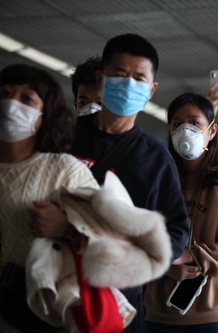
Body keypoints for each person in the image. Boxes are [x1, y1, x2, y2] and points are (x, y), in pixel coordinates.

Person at [67, 34, 190, 333]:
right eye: (120, 75)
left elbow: (176, 232)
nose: (129, 84)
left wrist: (129, 260)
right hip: (57, 287)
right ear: (101, 78)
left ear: (151, 90)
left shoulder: (156, 157)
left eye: (139, 78)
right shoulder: (64, 138)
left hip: (120, 303)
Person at [144, 93, 218, 332]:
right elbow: (137, 238)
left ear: (212, 131)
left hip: (217, 314)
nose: (186, 129)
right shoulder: (157, 179)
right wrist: (164, 264)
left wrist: (185, 255)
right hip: (159, 313)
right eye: (177, 124)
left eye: (194, 123)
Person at [0, 64, 99, 331]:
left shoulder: (63, 169)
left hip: (37, 312)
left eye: (26, 98)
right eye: (5, 93)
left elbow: (112, 237)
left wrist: (66, 227)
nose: (10, 104)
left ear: (46, 113)